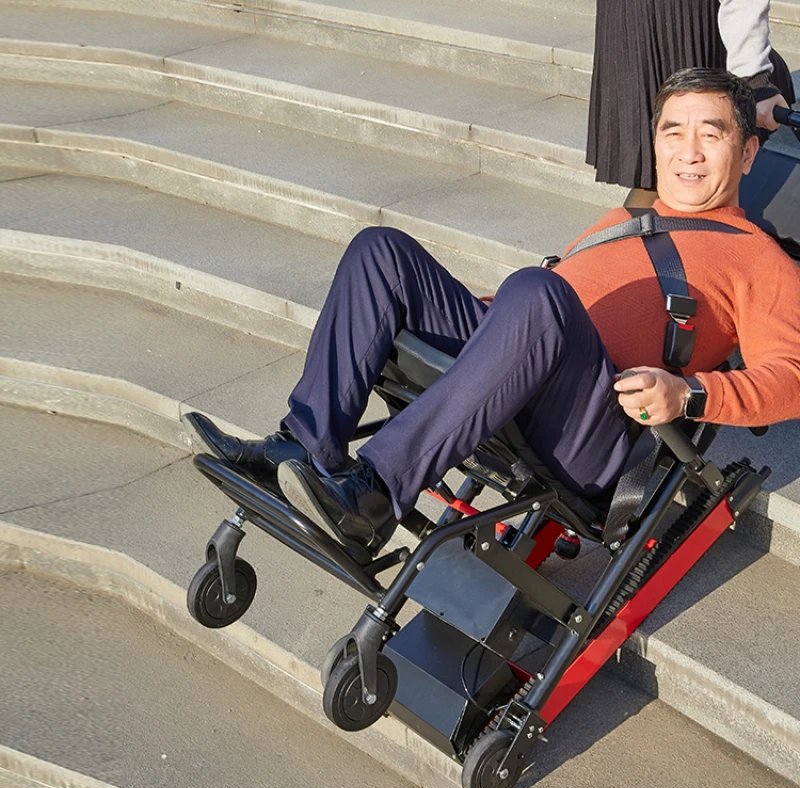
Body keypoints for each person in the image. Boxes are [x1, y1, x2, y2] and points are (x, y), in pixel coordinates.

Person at [185, 69, 800, 559]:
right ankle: (302, 447)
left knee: (536, 292)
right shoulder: (625, 220)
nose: (688, 153)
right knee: (383, 253)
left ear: (747, 152)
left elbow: (792, 379)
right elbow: (559, 302)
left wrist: (687, 394)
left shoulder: (761, 259)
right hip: (528, 360)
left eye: (711, 134)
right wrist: (497, 319)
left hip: (594, 430)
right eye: (673, 132)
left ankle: (373, 494)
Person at [588, 0, 796, 202]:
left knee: (672, 163)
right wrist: (754, 77)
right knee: (680, 161)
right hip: (679, 19)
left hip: (629, 18)